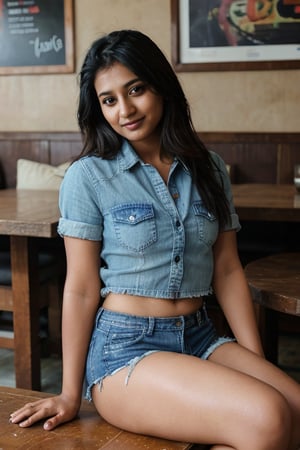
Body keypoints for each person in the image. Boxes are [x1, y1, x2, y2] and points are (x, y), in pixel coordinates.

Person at [9, 30, 300, 450]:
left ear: (160, 85)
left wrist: (254, 360)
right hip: (126, 349)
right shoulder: (88, 176)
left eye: (136, 90)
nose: (124, 109)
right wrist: (70, 392)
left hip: (200, 335)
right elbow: (81, 287)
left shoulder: (210, 168)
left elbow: (227, 268)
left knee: (292, 408)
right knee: (267, 417)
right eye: (108, 99)